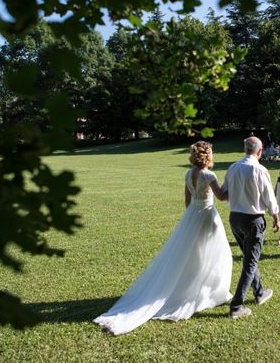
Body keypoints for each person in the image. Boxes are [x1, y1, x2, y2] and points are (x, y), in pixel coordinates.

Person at [93, 141, 231, 335]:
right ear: (207, 156)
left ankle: (196, 288)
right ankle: (202, 292)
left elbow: (187, 200)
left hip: (192, 215)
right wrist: (232, 181)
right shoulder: (209, 175)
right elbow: (222, 196)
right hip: (207, 216)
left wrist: (191, 218)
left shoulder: (188, 174)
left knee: (193, 255)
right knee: (213, 254)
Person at [222, 136, 280, 319]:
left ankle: (259, 292)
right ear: (260, 151)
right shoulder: (259, 170)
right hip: (253, 219)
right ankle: (236, 306)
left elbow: (223, 194)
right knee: (250, 262)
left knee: (249, 258)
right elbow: (269, 198)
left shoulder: (233, 167)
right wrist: (276, 216)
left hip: (235, 218)